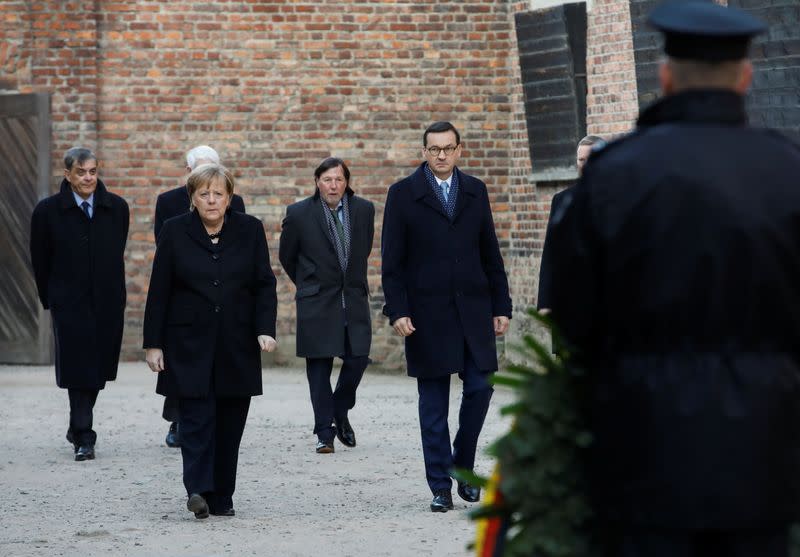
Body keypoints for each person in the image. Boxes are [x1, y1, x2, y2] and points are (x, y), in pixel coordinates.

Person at [547, 1, 800, 555]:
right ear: (746, 76)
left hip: (643, 440)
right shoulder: (787, 172)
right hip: (764, 443)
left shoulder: (615, 174)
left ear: (665, 76)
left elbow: (572, 311)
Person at [381, 121, 512, 512]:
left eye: (448, 148)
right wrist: (398, 310)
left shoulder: (475, 191)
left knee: (481, 387)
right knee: (433, 403)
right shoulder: (404, 195)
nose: (441, 155)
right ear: (424, 151)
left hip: (473, 309)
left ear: (459, 150)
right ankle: (440, 485)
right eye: (434, 149)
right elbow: (393, 262)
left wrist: (501, 305)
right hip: (427, 314)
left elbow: (490, 251)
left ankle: (462, 464)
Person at [143, 163, 277, 519]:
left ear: (230, 197)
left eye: (219, 193)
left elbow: (264, 284)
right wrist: (153, 344)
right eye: (204, 193)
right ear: (193, 198)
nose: (212, 200)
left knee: (230, 423)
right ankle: (198, 490)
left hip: (237, 342)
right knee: (196, 419)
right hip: (188, 343)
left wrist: (265, 329)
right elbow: (160, 290)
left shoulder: (250, 230)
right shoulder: (174, 231)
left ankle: (223, 496)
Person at [29, 147, 129, 462]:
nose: (88, 178)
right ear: (68, 175)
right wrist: (52, 298)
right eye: (81, 172)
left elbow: (116, 253)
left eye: (93, 172)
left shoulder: (117, 208)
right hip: (69, 302)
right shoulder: (47, 212)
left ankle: (78, 425)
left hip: (108, 300)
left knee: (97, 367)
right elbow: (40, 260)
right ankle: (84, 434)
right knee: (78, 367)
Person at [279, 157, 375, 454]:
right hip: (316, 299)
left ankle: (339, 409)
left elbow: (364, 249)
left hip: (353, 297)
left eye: (339, 179)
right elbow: (287, 256)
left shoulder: (364, 210)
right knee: (318, 367)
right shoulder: (298, 214)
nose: (333, 185)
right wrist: (308, 284)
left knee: (357, 358)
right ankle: (324, 432)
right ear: (317, 182)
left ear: (347, 182)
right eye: (327, 180)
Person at [153, 145, 246, 448]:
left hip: (222, 300)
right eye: (199, 170)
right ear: (188, 173)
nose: (211, 196)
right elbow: (164, 249)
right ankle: (178, 419)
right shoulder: (168, 203)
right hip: (187, 297)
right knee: (184, 369)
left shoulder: (236, 205)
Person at [537, 135, 605, 312]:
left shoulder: (621, 199)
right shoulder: (561, 200)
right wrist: (545, 302)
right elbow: (551, 254)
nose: (585, 165)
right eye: (581, 160)